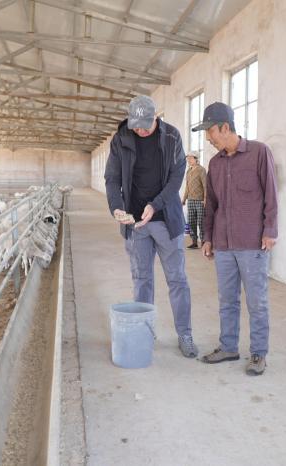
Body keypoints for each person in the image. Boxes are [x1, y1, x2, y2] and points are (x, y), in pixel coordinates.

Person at [104, 95, 198, 358]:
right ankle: (144, 334)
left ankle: (185, 334)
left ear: (156, 117)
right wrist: (117, 207)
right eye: (136, 125)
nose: (140, 130)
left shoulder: (172, 138)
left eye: (145, 125)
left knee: (177, 280)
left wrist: (155, 205)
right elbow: (111, 178)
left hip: (166, 220)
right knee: (142, 280)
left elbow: (177, 177)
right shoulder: (120, 139)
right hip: (136, 225)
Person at [193, 102, 278, 376]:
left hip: (252, 243)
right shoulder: (215, 164)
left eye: (211, 132)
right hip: (224, 245)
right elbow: (211, 205)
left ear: (225, 127)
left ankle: (258, 353)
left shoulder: (259, 153)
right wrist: (207, 237)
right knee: (227, 299)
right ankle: (228, 346)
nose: (208, 138)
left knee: (257, 302)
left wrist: (270, 230)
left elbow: (271, 196)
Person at [182, 151, 207, 249]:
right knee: (191, 221)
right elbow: (187, 187)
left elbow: (205, 186)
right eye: (188, 158)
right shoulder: (188, 171)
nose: (188, 160)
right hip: (190, 200)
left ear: (196, 159)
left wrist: (205, 199)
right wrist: (184, 199)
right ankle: (194, 242)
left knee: (201, 222)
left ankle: (204, 242)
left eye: (190, 158)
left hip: (200, 200)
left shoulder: (201, 170)